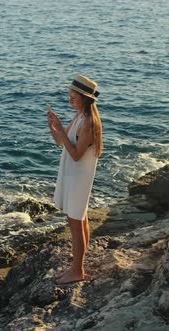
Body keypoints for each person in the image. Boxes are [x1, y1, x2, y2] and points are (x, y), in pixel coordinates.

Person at [47, 74, 103, 284]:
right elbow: (60, 142)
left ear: (85, 98)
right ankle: (78, 266)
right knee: (81, 219)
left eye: (73, 96)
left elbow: (77, 154)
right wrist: (54, 126)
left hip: (79, 176)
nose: (70, 99)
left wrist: (61, 130)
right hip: (73, 174)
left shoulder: (88, 122)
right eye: (69, 96)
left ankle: (78, 271)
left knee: (75, 221)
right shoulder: (80, 116)